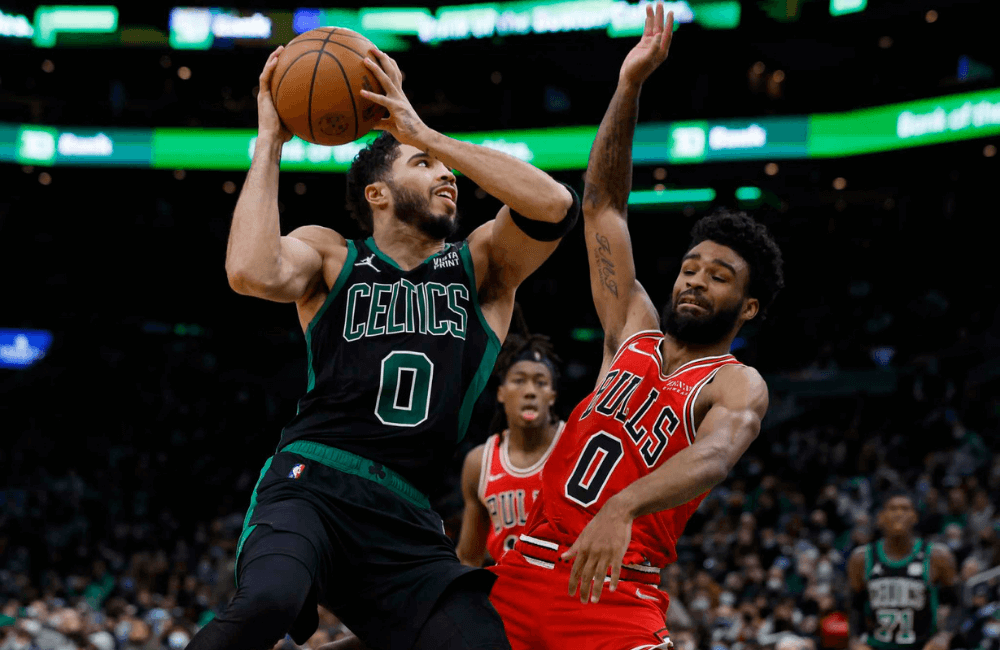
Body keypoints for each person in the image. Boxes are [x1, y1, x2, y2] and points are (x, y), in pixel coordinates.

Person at [193, 40, 579, 650]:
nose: (446, 172)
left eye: (442, 165)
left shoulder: (480, 267)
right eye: (422, 164)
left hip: (406, 516)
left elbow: (554, 206)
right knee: (269, 602)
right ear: (377, 194)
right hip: (312, 483)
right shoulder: (332, 255)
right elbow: (248, 270)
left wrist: (425, 133)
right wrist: (269, 141)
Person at [487, 4, 786, 649]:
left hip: (616, 588)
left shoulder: (736, 385)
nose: (695, 281)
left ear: (750, 307)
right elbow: (602, 207)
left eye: (719, 277)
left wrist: (623, 505)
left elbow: (712, 455)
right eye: (690, 268)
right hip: (520, 573)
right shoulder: (631, 327)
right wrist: (629, 86)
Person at [456, 310, 566, 567]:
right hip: (507, 596)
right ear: (501, 394)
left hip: (566, 595)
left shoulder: (576, 445)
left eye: (541, 382)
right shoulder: (479, 463)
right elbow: (469, 558)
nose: (530, 391)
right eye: (519, 381)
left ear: (552, 396)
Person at [847, 491, 958, 650]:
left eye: (905, 509)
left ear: (915, 516)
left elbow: (959, 602)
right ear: (881, 517)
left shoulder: (937, 556)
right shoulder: (861, 558)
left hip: (922, 645)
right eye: (892, 509)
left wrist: (945, 635)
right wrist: (855, 640)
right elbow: (854, 606)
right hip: (877, 644)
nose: (899, 514)